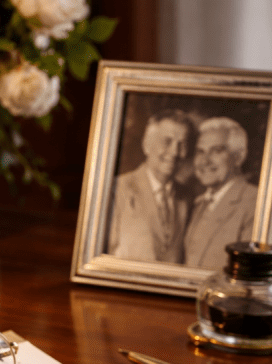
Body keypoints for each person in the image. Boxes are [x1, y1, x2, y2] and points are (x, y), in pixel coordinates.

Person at [107, 109, 194, 264]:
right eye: (167, 142)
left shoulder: (186, 197)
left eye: (182, 144)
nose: (175, 152)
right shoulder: (116, 189)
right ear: (147, 145)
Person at [184, 116, 258, 270]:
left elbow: (247, 272)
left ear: (238, 157)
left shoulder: (254, 203)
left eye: (216, 151)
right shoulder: (198, 204)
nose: (204, 161)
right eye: (200, 151)